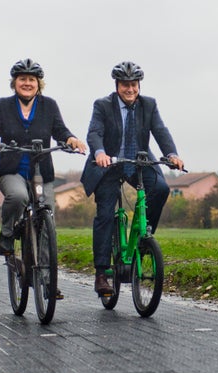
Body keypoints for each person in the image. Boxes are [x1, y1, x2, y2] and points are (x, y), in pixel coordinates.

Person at [80, 61, 185, 297]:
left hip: (138, 159)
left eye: (134, 84)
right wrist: (99, 154)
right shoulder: (103, 105)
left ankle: (144, 235)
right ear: (117, 85)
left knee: (160, 188)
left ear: (139, 85)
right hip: (109, 163)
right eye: (125, 84)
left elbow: (160, 130)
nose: (130, 89)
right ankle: (101, 274)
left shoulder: (149, 104)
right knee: (106, 214)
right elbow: (94, 133)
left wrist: (172, 154)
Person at [0, 58, 86, 257]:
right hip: (12, 170)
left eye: (32, 79)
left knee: (47, 222)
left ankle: (47, 283)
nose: (27, 83)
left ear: (39, 83)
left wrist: (71, 139)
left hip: (41, 172)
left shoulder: (49, 105)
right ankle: (7, 233)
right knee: (18, 196)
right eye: (22, 79)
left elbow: (60, 130)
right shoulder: (3, 105)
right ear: (15, 82)